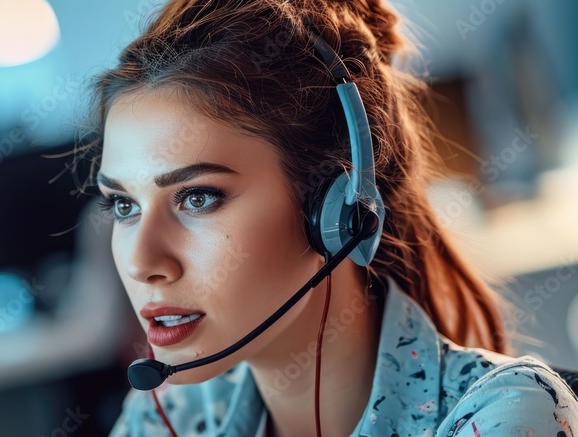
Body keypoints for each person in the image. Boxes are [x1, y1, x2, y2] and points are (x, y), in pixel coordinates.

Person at [66, 0, 578, 435]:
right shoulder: (166, 418)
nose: (140, 262)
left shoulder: (506, 416)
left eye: (197, 197)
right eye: (124, 206)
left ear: (337, 212)